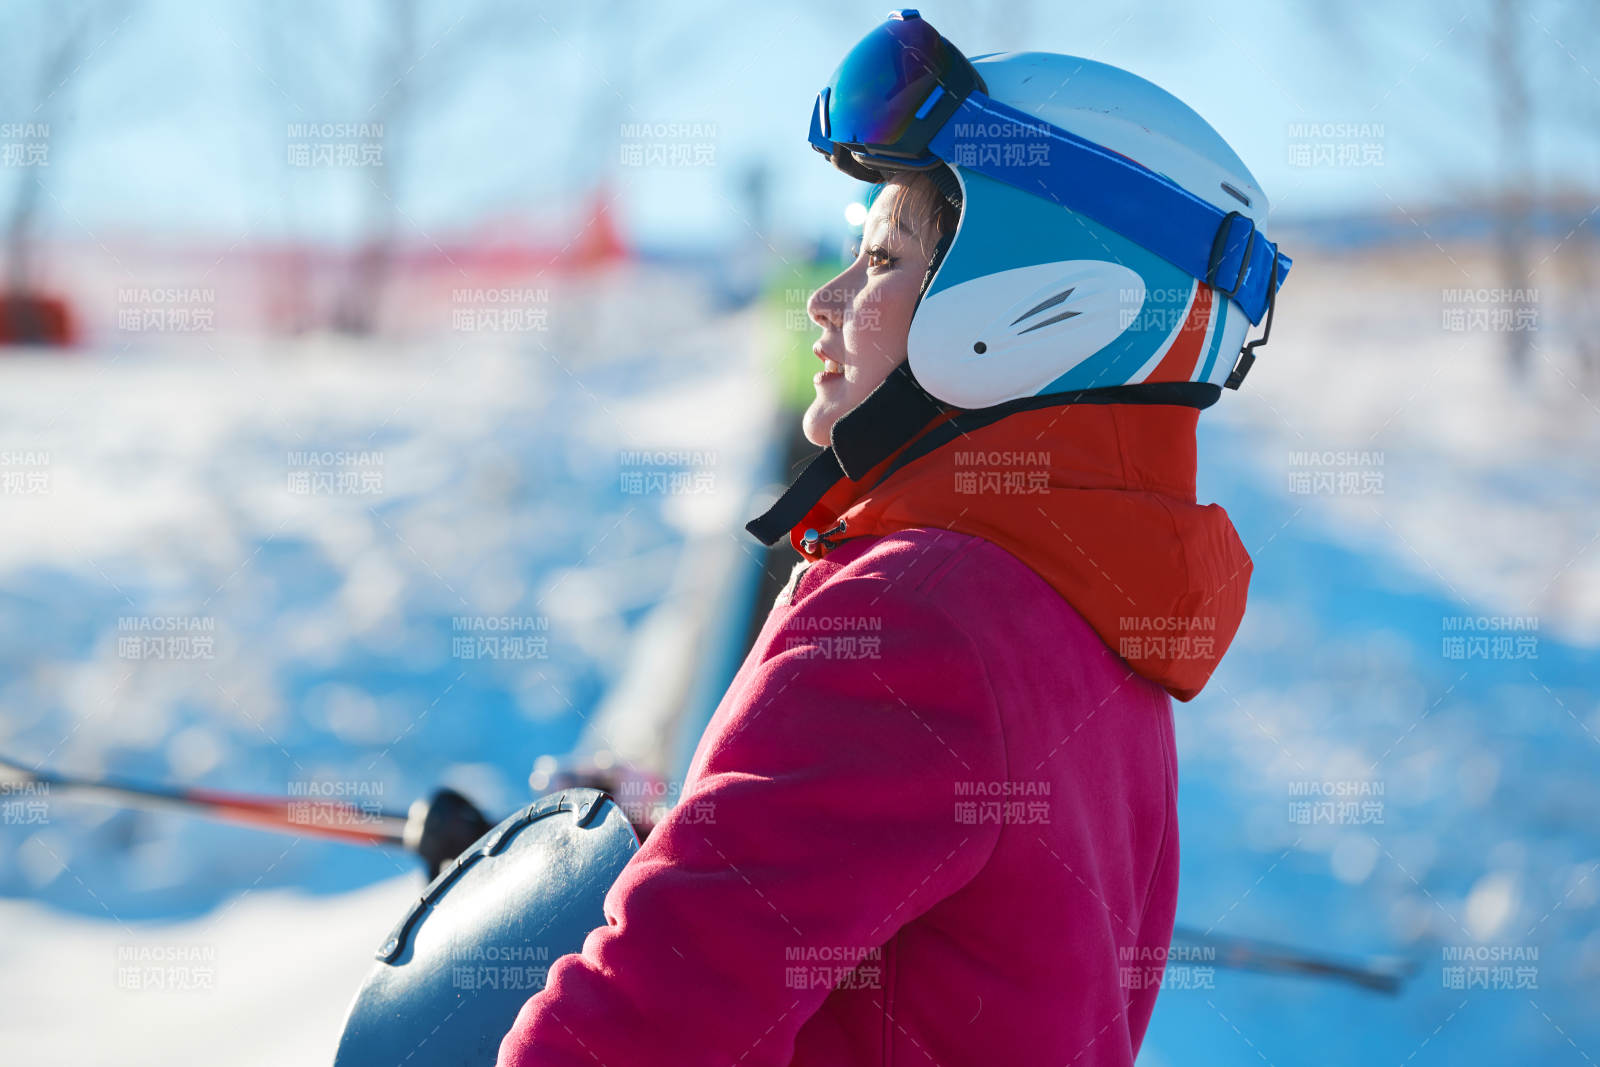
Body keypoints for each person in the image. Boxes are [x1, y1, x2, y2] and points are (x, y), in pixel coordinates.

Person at [498, 10, 1290, 1065]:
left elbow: (637, 1031)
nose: (823, 303)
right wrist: (596, 881)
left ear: (1031, 297)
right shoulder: (1094, 610)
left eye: (878, 257)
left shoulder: (915, 614)